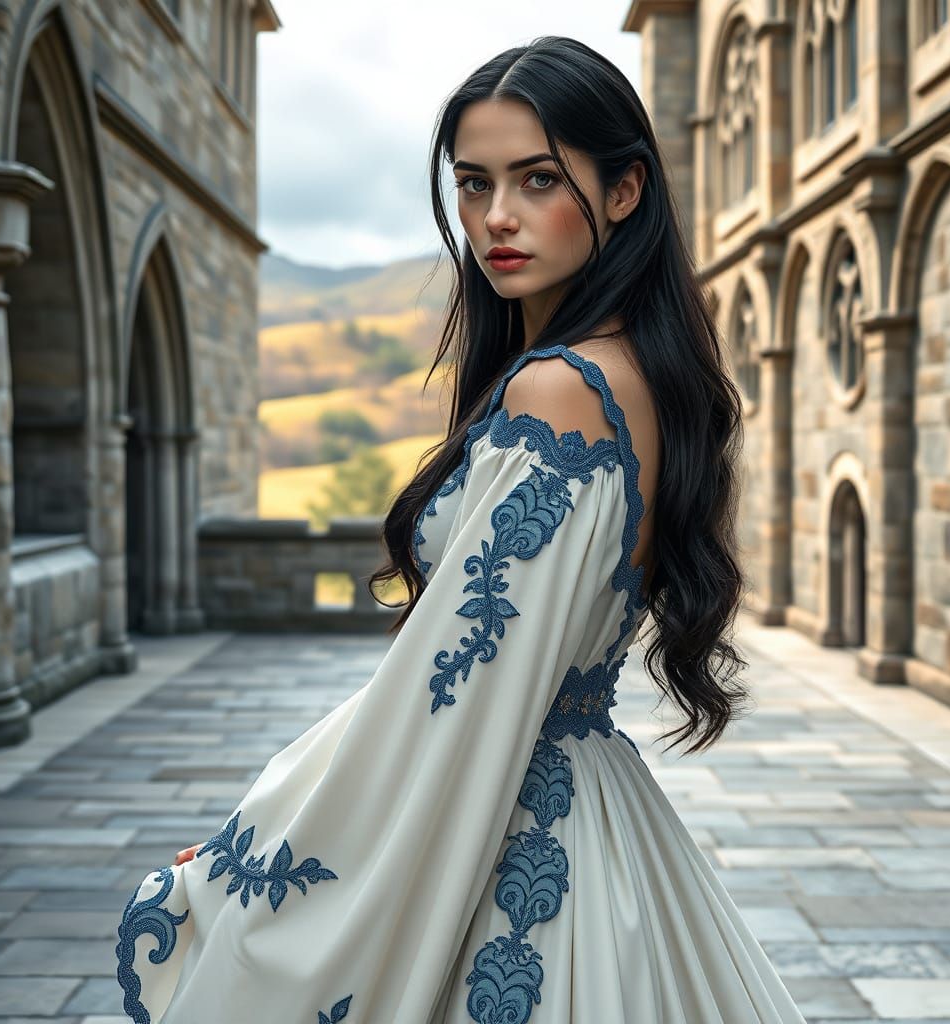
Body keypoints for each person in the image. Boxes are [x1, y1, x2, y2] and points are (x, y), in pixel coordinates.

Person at [115, 35, 808, 1024]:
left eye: (535, 180)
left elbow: (446, 690)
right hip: (600, 816)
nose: (495, 219)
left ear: (624, 191)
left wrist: (260, 850)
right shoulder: (638, 377)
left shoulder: (560, 388)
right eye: (473, 185)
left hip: (512, 833)